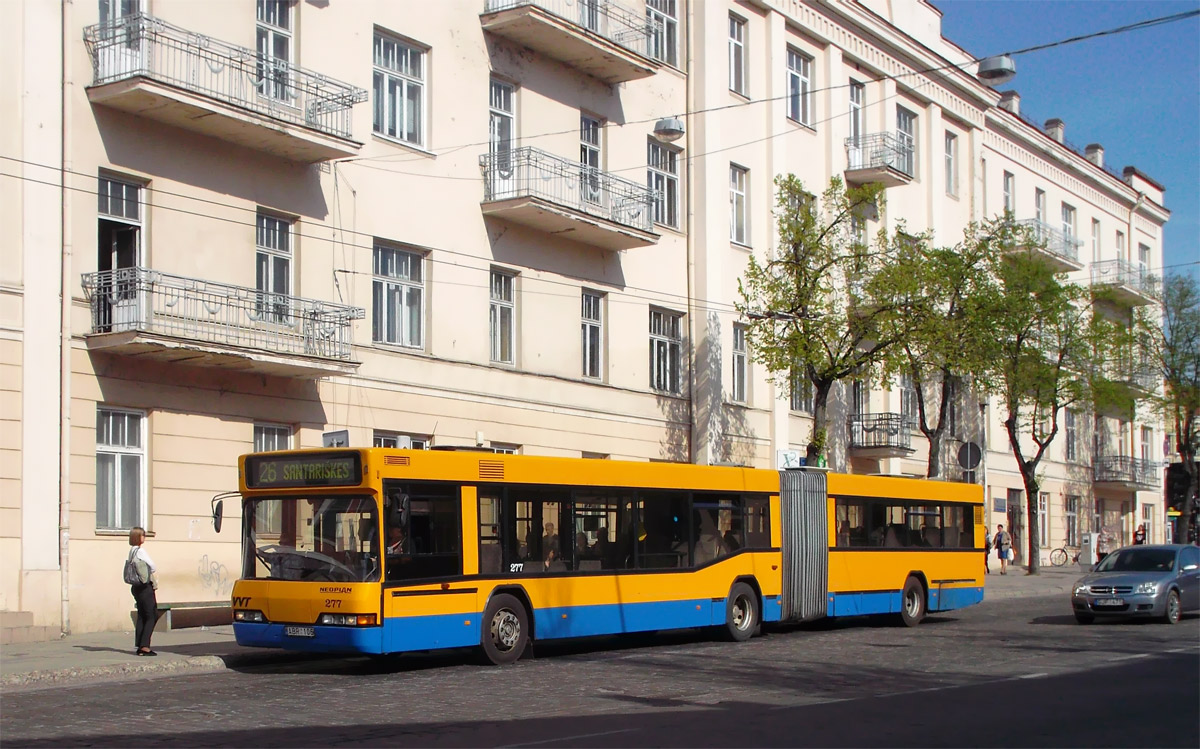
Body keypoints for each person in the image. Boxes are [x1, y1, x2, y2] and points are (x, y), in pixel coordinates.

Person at [125, 527, 158, 656]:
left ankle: (139, 644)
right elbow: (153, 566)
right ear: (138, 537)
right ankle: (145, 646)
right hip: (145, 587)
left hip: (136, 587)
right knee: (151, 615)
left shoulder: (131, 551)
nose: (144, 538)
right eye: (143, 536)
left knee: (142, 615)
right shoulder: (140, 551)